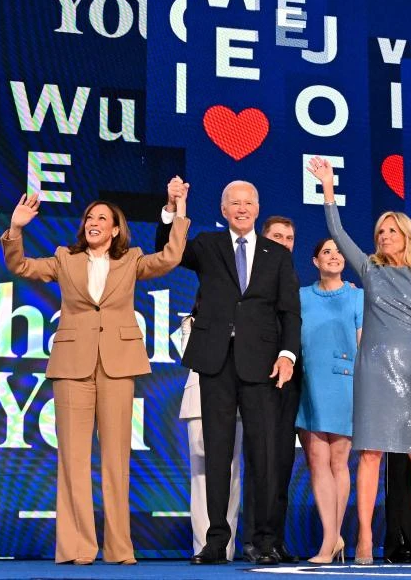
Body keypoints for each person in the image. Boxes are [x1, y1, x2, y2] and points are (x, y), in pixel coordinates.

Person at [1, 180, 190, 565]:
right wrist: (16, 229)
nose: (94, 222)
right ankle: (76, 548)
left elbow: (170, 258)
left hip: (118, 365)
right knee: (72, 458)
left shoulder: (132, 259)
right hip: (73, 366)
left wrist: (179, 208)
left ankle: (120, 549)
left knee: (116, 459)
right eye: (90, 217)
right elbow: (19, 265)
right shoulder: (63, 259)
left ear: (116, 228)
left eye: (102, 218)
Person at [157, 180, 301, 566]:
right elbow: (167, 250)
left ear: (257, 207)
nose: (241, 208)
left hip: (263, 363)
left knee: (264, 454)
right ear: (223, 210)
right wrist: (173, 207)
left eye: (248, 202)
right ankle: (216, 541)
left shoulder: (277, 254)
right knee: (217, 453)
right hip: (215, 360)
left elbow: (289, 311)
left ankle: (265, 540)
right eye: (234, 203)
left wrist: (287, 354)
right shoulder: (207, 245)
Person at [307, 156, 411, 565]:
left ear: (406, 236)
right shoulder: (368, 268)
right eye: (380, 231)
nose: (384, 236)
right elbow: (336, 230)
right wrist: (328, 188)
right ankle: (363, 537)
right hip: (373, 373)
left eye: (391, 231)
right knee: (369, 454)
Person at [296, 238, 362, 563]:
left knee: (338, 462)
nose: (333, 256)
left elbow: (365, 345)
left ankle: (331, 540)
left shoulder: (357, 296)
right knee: (316, 461)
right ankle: (331, 539)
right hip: (310, 384)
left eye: (338, 252)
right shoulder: (302, 296)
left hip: (345, 383)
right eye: (326, 252)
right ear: (315, 261)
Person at [243, 215, 300, 563]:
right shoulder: (250, 279)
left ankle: (275, 539)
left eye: (289, 237)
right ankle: (256, 538)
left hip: (289, 381)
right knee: (259, 461)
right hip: (257, 377)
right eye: (276, 235)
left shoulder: (292, 281)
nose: (283, 242)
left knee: (281, 462)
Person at [180, 298, 243, 562]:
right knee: (200, 475)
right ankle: (201, 545)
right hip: (197, 401)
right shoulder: (190, 322)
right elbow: (191, 357)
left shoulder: (239, 322)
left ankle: (225, 547)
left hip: (232, 402)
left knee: (231, 472)